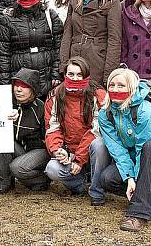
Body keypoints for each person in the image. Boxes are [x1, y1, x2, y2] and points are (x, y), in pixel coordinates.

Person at [97, 68, 151, 232]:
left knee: (149, 146)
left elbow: (143, 148)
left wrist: (136, 178)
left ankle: (138, 213)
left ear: (132, 88)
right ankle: (147, 189)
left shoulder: (145, 111)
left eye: (121, 85)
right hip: (135, 159)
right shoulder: (105, 114)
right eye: (111, 85)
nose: (115, 89)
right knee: (107, 179)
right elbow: (118, 150)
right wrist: (129, 178)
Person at [44, 56, 106, 198]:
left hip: (92, 152)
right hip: (69, 151)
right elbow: (52, 128)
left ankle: (97, 188)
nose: (75, 78)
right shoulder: (55, 95)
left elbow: (97, 130)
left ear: (86, 76)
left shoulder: (99, 95)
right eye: (71, 74)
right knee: (52, 168)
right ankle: (79, 186)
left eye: (79, 75)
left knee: (99, 144)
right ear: (65, 75)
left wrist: (80, 159)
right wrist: (58, 150)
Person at [0, 0, 63, 97]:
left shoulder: (49, 15)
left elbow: (59, 47)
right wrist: (5, 84)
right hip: (20, 78)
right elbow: (3, 55)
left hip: (47, 77)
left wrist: (56, 73)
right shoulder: (7, 19)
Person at [60, 0, 122, 85]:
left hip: (98, 59)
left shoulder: (111, 1)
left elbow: (114, 40)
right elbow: (67, 35)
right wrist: (63, 65)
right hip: (75, 59)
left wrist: (109, 74)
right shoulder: (74, 0)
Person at [0, 68, 50, 193]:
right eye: (16, 85)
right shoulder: (5, 104)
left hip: (39, 150)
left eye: (24, 86)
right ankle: (3, 184)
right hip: (20, 149)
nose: (18, 89)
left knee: (17, 167)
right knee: (3, 141)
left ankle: (41, 180)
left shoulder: (41, 108)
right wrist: (4, 118)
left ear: (33, 89)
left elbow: (48, 135)